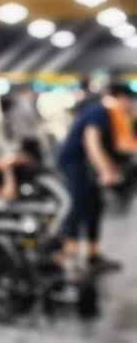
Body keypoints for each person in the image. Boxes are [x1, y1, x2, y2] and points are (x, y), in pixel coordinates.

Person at [55, 83, 133, 272]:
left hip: (88, 166)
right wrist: (106, 170)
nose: (130, 105)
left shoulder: (111, 114)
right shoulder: (99, 111)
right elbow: (92, 143)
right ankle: (68, 256)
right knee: (80, 205)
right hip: (76, 164)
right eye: (129, 101)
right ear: (120, 98)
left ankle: (92, 256)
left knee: (95, 207)